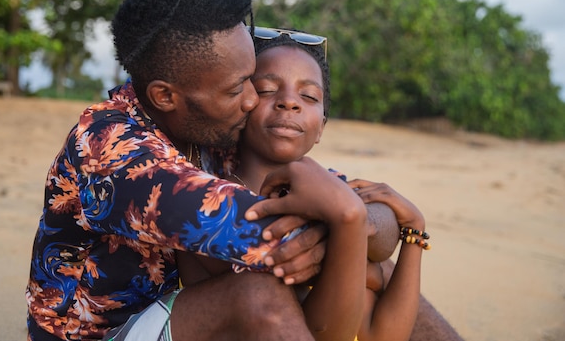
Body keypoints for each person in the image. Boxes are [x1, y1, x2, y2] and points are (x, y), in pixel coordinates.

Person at [26, 0, 367, 341]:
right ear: (165, 96)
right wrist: (350, 222)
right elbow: (271, 239)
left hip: (187, 318)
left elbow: (346, 200)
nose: (254, 100)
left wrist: (364, 217)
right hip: (97, 337)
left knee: (375, 279)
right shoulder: (110, 147)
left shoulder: (215, 128)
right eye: (237, 87)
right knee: (258, 294)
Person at [177, 27, 431, 341]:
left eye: (308, 96)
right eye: (268, 89)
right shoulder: (211, 200)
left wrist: (414, 234)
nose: (289, 103)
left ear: (322, 127)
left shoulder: (335, 192)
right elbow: (316, 332)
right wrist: (361, 260)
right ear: (241, 104)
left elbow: (383, 335)